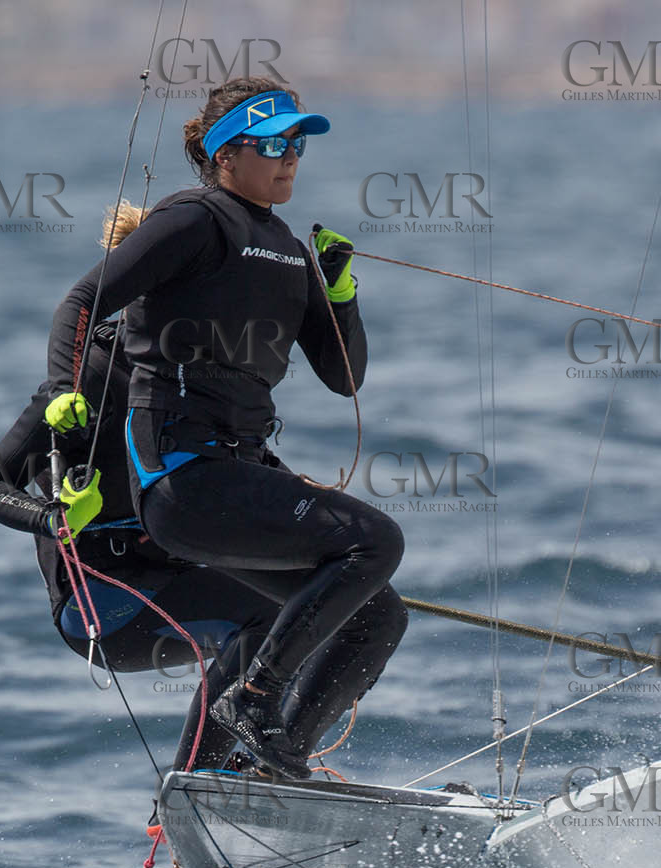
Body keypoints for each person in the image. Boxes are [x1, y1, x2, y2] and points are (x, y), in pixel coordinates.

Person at [40, 76, 407, 778]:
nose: (290, 156)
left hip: (236, 474)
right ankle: (258, 699)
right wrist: (64, 391)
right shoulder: (193, 222)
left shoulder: (287, 250)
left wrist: (339, 295)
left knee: (377, 615)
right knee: (376, 542)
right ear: (225, 154)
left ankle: (271, 759)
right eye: (273, 143)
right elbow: (81, 300)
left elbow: (345, 376)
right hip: (182, 478)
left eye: (297, 143)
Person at [0, 320, 276, 774]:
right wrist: (55, 519)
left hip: (172, 578)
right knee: (271, 618)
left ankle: (257, 768)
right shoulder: (91, 380)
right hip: (100, 603)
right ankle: (198, 780)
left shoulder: (200, 380)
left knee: (314, 608)